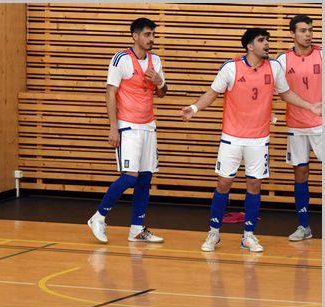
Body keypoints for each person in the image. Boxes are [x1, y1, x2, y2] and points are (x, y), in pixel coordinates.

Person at [180, 28, 321, 252]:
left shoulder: (274, 67)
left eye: (267, 40)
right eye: (261, 40)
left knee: (254, 185)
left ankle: (248, 236)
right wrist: (194, 108)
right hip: (232, 138)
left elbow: (286, 93)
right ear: (249, 46)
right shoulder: (231, 67)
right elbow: (212, 93)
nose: (266, 44)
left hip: (259, 139)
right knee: (224, 183)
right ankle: (214, 233)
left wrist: (310, 106)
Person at [87, 17, 167, 245]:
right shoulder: (121, 58)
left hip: (148, 126)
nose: (151, 38)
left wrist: (160, 82)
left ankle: (136, 229)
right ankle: (98, 217)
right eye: (147, 34)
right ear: (135, 36)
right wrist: (113, 127)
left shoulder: (155, 60)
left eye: (153, 34)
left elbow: (162, 93)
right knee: (130, 176)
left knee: (145, 178)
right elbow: (110, 92)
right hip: (128, 126)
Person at [276, 15, 322, 241]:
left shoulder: (321, 53)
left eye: (310, 30)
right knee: (300, 173)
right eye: (303, 30)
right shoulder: (282, 60)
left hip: (321, 124)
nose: (308, 34)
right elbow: (272, 88)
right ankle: (304, 226)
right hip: (296, 125)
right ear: (292, 34)